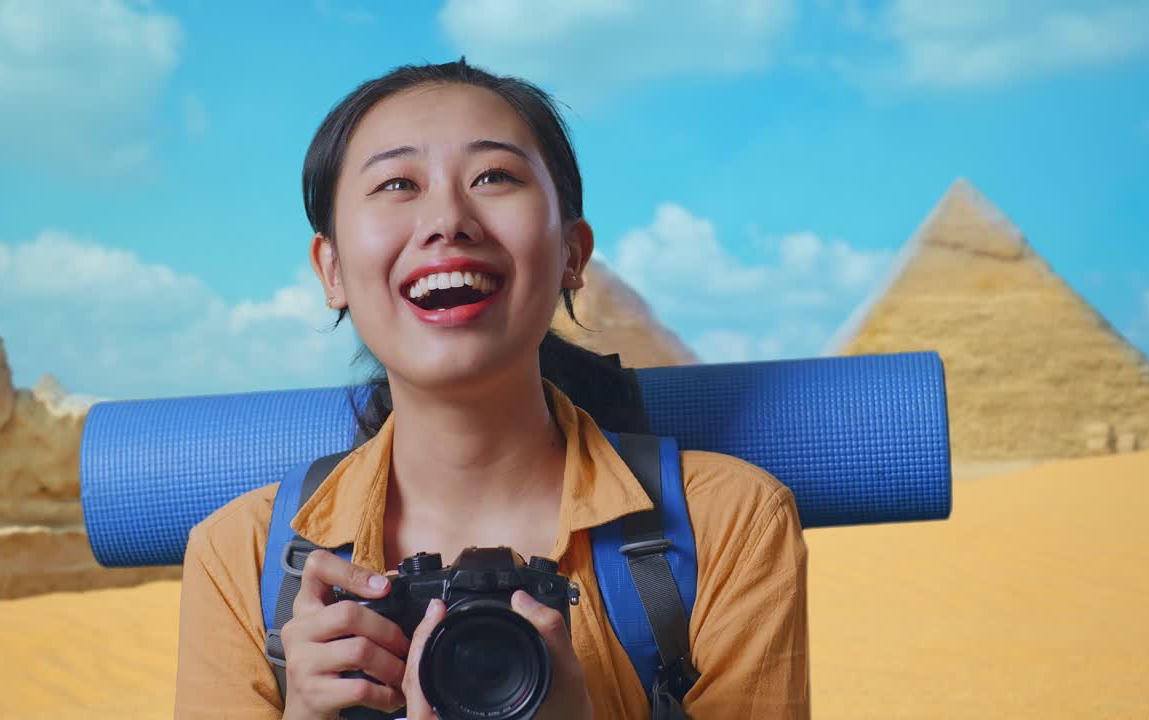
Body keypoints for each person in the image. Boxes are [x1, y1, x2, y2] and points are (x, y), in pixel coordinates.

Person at [174, 59, 810, 719]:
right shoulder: (240, 560)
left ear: (572, 254)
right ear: (330, 269)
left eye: (494, 176)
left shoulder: (730, 524)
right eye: (396, 183)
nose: (448, 218)